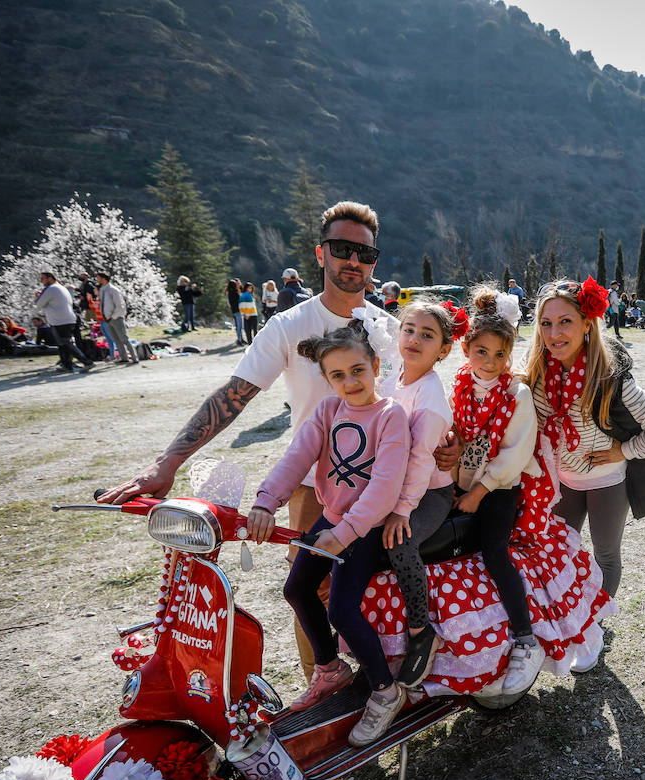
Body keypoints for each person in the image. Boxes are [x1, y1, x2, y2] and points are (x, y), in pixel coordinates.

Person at [100, 200, 392, 683]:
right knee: (313, 592)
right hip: (316, 487)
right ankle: (324, 684)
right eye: (342, 249)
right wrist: (167, 463)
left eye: (365, 253)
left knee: (383, 586)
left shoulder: (390, 328)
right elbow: (233, 397)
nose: (354, 261)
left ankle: (388, 682)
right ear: (321, 254)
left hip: (385, 486)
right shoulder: (288, 326)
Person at [245, 324, 412, 744]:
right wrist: (267, 500)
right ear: (326, 379)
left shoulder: (391, 415)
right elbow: (297, 456)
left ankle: (385, 690)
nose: (350, 382)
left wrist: (347, 532)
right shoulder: (326, 412)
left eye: (358, 370)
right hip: (332, 518)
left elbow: (385, 485)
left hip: (366, 527)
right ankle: (330, 668)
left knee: (340, 609)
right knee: (298, 589)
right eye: (338, 375)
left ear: (376, 366)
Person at [526, 277, 645, 598]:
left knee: (605, 555)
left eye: (565, 322)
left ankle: (596, 617)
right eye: (546, 323)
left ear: (586, 324)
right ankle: (566, 612)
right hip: (562, 483)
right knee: (557, 550)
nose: (555, 334)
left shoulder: (610, 379)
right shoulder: (537, 376)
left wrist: (624, 450)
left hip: (607, 482)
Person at [450, 289, 545, 693]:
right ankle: (468, 636)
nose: (490, 362)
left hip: (499, 488)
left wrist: (478, 493)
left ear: (510, 356)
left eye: (500, 355)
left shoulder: (516, 394)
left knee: (493, 550)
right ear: (467, 348)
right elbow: (455, 429)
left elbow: (513, 456)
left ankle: (525, 636)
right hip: (462, 482)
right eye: (482, 351)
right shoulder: (459, 387)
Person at [378, 301, 459, 687]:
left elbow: (421, 460)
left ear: (443, 350)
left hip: (428, 493)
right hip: (393, 486)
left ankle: (419, 630)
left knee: (399, 543)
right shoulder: (389, 379)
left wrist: (402, 511)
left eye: (427, 335)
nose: (414, 339)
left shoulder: (430, 396)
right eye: (409, 329)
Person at [37, 270, 93, 373]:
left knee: (65, 343)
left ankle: (86, 361)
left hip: (60, 320)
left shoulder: (51, 289)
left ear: (50, 278)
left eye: (43, 278)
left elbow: (39, 304)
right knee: (62, 344)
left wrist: (38, 297)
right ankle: (66, 365)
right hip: (68, 318)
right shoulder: (61, 287)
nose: (41, 281)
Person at [96, 272, 139, 364]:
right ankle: (124, 357)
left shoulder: (113, 290)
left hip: (116, 318)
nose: (97, 280)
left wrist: (114, 316)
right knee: (116, 339)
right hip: (107, 319)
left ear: (104, 279)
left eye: (98, 278)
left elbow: (120, 305)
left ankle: (134, 357)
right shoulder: (102, 290)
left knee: (124, 338)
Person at [225, 279, 245, 345]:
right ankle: (239, 339)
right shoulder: (234, 293)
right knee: (239, 326)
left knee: (239, 325)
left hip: (234, 310)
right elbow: (239, 300)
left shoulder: (229, 293)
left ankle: (241, 339)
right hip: (237, 310)